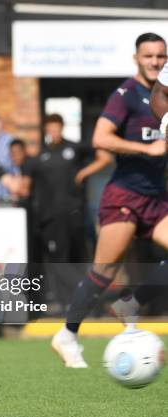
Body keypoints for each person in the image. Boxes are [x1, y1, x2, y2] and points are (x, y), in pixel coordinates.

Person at [52, 33, 168, 368]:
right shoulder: (126, 95)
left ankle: (130, 303)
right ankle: (67, 334)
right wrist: (147, 149)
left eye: (161, 56)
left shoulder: (164, 96)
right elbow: (101, 137)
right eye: (148, 56)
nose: (155, 62)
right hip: (124, 196)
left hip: (156, 198)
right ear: (136, 59)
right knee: (104, 270)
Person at [21, 114, 88, 307]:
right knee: (59, 260)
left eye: (57, 128)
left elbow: (104, 156)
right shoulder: (38, 157)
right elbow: (25, 186)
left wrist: (84, 173)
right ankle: (69, 300)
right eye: (51, 128)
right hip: (50, 217)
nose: (54, 131)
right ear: (46, 130)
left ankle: (82, 298)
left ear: (62, 127)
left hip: (74, 213)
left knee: (78, 256)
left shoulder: (74, 149)